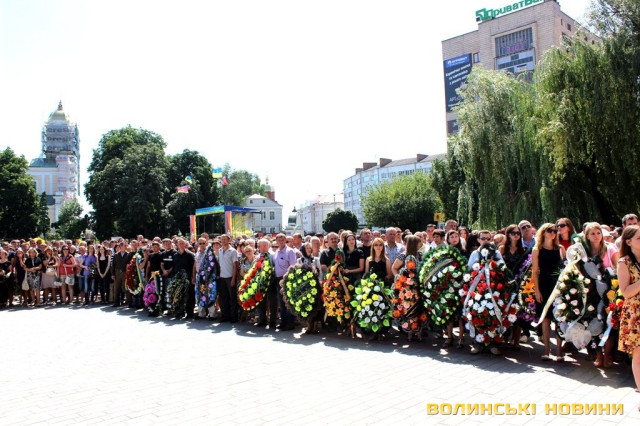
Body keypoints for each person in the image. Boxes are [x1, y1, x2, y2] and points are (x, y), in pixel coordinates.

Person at [532, 223, 565, 361]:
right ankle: (546, 349)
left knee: (559, 318)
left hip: (558, 285)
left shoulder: (560, 248)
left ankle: (559, 351)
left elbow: (564, 268)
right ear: (543, 232)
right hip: (543, 284)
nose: (553, 233)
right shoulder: (537, 249)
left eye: (555, 230)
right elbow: (535, 272)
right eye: (549, 230)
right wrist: (537, 291)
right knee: (545, 319)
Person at [617, 225, 640, 411]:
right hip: (636, 313)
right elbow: (625, 292)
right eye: (639, 238)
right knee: (639, 355)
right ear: (629, 241)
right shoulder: (624, 262)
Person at [272, 233, 297, 330]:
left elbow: (293, 266)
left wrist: (287, 278)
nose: (281, 241)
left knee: (288, 302)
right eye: (279, 240)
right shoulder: (276, 252)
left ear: (285, 240)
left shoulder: (290, 251)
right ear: (276, 241)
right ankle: (283, 322)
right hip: (278, 279)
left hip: (287, 279)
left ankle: (290, 323)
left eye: (283, 240)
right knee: (281, 302)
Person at [173, 238, 196, 319]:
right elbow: (174, 266)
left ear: (185, 244)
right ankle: (180, 312)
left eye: (183, 243)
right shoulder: (175, 255)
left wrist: (193, 277)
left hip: (188, 278)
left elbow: (194, 267)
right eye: (180, 243)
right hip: (178, 279)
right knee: (179, 295)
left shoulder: (190, 255)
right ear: (177, 245)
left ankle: (190, 312)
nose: (181, 245)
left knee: (190, 295)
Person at [217, 234, 239, 323]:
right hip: (222, 277)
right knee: (224, 298)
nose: (223, 241)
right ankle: (226, 316)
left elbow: (235, 266)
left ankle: (234, 317)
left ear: (229, 240)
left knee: (232, 298)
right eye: (222, 239)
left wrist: (233, 279)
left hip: (230, 277)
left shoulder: (233, 251)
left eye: (225, 239)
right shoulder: (220, 250)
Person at [111, 241, 131, 307]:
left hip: (125, 272)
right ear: (120, 247)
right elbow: (113, 265)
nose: (125, 247)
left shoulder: (128, 254)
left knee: (126, 288)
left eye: (125, 246)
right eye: (124, 246)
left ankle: (128, 302)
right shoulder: (116, 255)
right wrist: (113, 274)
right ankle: (116, 302)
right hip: (117, 272)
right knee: (117, 288)